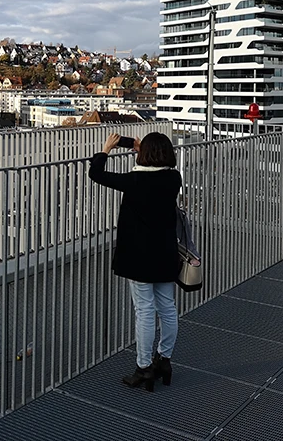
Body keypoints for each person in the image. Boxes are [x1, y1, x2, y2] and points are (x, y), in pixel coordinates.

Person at [88, 131, 181, 391]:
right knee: (167, 307)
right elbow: (153, 175)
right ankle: (164, 360)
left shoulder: (134, 180)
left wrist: (106, 149)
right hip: (165, 253)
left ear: (144, 155)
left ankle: (143, 368)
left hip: (139, 256)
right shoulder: (174, 178)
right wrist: (143, 152)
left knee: (144, 311)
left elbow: (96, 174)